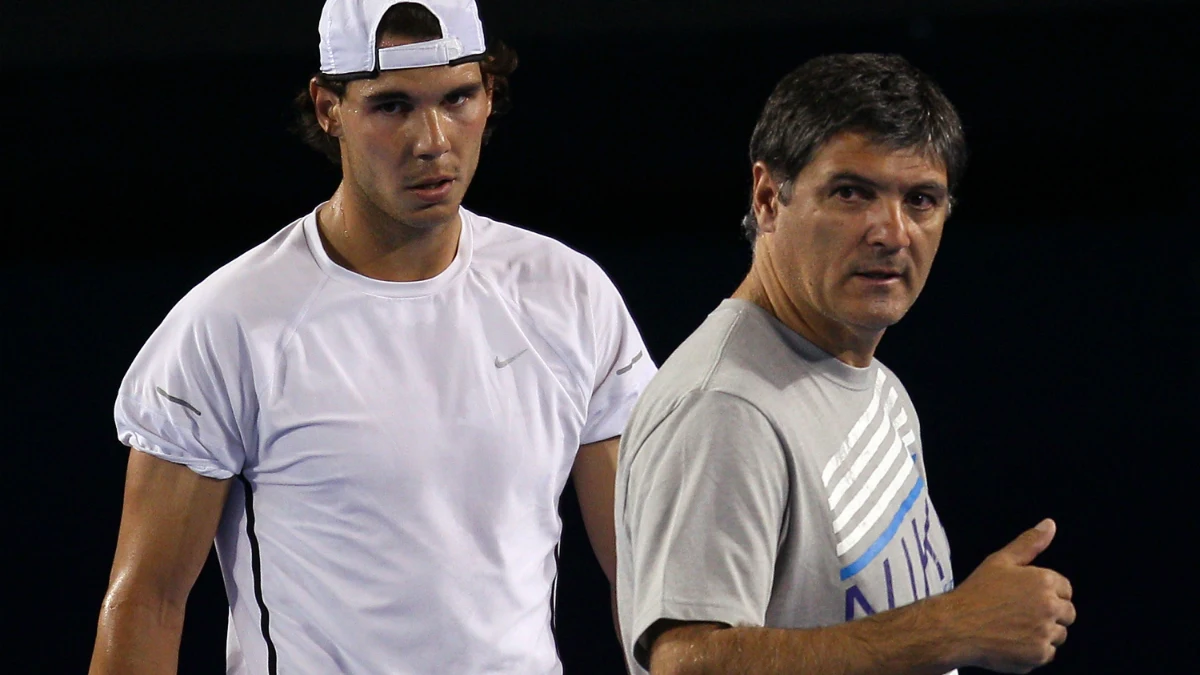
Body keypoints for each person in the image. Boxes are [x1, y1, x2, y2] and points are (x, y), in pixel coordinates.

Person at [88, 1, 656, 673]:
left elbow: (647, 572)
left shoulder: (570, 295)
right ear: (328, 108)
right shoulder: (227, 325)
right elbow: (149, 603)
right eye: (392, 106)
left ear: (490, 93)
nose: (432, 140)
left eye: (458, 98)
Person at [614, 53, 1076, 675]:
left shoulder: (877, 385)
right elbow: (688, 663)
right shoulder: (725, 407)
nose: (891, 232)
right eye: (852, 192)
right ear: (768, 199)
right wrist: (952, 625)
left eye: (920, 200)